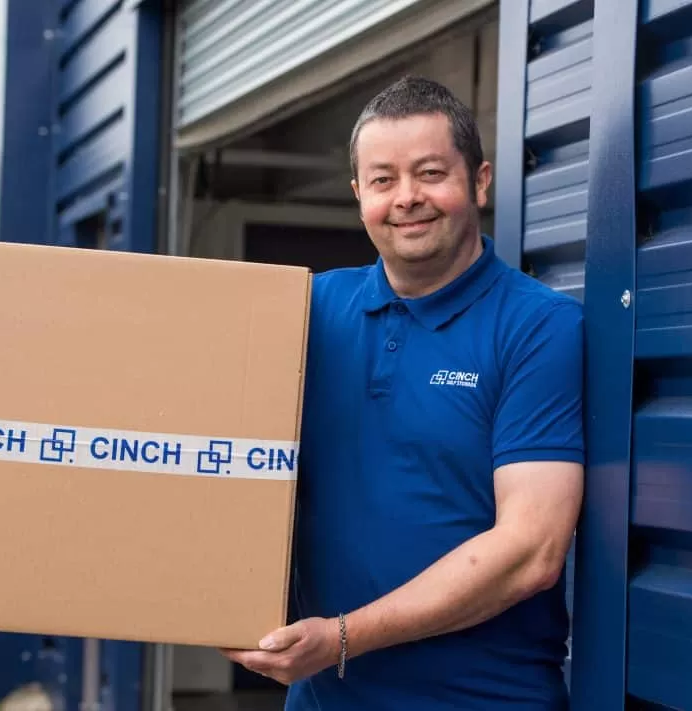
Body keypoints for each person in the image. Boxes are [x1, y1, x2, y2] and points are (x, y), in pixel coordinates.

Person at [223, 76, 585, 710]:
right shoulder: (309, 310)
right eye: (384, 180)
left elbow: (533, 550)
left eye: (430, 173)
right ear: (360, 194)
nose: (408, 199)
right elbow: (213, 452)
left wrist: (342, 638)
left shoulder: (538, 326)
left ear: (479, 181)